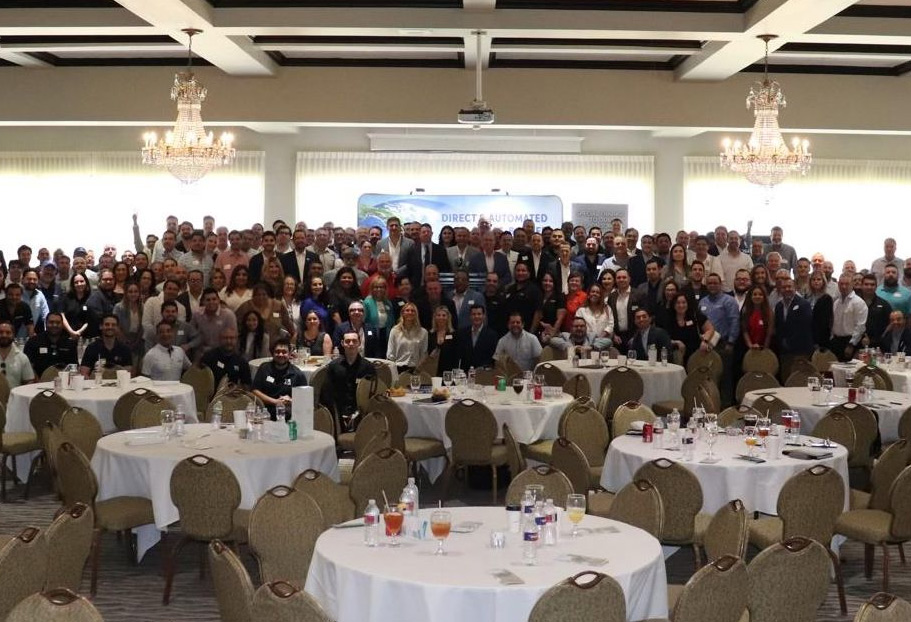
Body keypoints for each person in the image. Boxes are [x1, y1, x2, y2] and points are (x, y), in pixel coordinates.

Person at [324, 331, 376, 429]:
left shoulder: (368, 367)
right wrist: (338, 415)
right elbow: (327, 394)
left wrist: (358, 413)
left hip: (362, 415)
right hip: (337, 416)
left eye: (354, 341)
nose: (351, 344)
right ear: (342, 343)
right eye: (347, 341)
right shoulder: (333, 367)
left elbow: (372, 395)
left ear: (359, 343)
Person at [251, 338, 308, 419]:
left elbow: (305, 399)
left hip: (288, 414)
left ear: (289, 354)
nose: (280, 354)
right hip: (265, 412)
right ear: (272, 353)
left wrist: (291, 400)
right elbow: (255, 391)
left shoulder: (297, 374)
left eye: (284, 352)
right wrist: (275, 402)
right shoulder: (264, 368)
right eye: (277, 352)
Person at [236, 282, 295, 347]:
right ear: (253, 296)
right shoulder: (246, 307)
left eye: (264, 294)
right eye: (258, 295)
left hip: (276, 347)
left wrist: (293, 340)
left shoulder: (278, 305)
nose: (261, 297)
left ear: (268, 295)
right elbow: (236, 325)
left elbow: (289, 326)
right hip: (254, 347)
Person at [23, 312, 77, 377]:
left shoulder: (70, 344)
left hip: (64, 381)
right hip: (38, 381)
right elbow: (28, 367)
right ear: (46, 323)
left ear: (62, 325)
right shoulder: (33, 342)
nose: (54, 325)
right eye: (51, 322)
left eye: (58, 323)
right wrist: (38, 381)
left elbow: (74, 367)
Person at [667, 293, 716, 365]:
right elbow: (663, 337)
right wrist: (675, 342)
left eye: (684, 302)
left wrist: (705, 341)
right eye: (678, 303)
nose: (681, 305)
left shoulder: (695, 315)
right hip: (675, 357)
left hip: (696, 356)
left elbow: (710, 329)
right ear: (673, 304)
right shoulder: (668, 317)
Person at [831, 273, 868, 362]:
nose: (844, 287)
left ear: (852, 285)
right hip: (836, 342)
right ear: (838, 285)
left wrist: (851, 345)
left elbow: (860, 327)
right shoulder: (836, 302)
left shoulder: (858, 302)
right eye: (841, 284)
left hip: (850, 342)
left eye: (847, 284)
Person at [193, 287, 238, 356]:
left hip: (223, 353)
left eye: (214, 299)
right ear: (203, 302)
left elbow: (233, 339)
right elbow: (192, 334)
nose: (211, 302)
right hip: (202, 352)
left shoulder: (229, 315)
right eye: (208, 300)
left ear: (219, 300)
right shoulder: (197, 314)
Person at [386, 302, 428, 372]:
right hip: (398, 368)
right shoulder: (395, 331)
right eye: (407, 310)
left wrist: (419, 370)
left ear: (416, 314)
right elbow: (390, 353)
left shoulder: (423, 332)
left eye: (412, 311)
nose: (410, 312)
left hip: (415, 369)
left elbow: (423, 354)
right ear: (402, 313)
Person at [456, 305, 499, 371]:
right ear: (470, 316)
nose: (476, 316)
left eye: (479, 314)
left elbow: (493, 357)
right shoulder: (462, 333)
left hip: (483, 373)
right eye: (473, 314)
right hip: (464, 373)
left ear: (484, 316)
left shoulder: (492, 335)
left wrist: (484, 367)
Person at [113, 281, 145, 365]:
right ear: (126, 293)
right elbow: (116, 326)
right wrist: (125, 341)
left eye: (136, 291)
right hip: (121, 341)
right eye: (130, 292)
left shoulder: (143, 307)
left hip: (137, 343)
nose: (133, 294)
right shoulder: (118, 307)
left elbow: (143, 326)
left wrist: (136, 342)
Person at [860, 273, 892, 350]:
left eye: (872, 285)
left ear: (876, 287)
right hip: (857, 345)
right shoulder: (855, 303)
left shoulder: (884, 304)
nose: (869, 287)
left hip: (879, 346)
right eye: (866, 284)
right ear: (861, 286)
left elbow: (890, 325)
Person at [0, 320, 35, 388]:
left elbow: (29, 381)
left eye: (8, 332)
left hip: (14, 394)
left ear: (13, 335)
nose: (4, 335)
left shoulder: (22, 357)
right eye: (1, 332)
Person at [740, 285, 774, 351]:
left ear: (764, 297)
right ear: (750, 296)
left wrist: (764, 348)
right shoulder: (745, 312)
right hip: (749, 348)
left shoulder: (769, 313)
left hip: (765, 348)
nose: (757, 296)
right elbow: (745, 331)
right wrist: (750, 346)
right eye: (754, 294)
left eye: (760, 294)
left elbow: (769, 333)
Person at [806, 271, 833, 350]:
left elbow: (824, 323)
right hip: (808, 335)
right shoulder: (807, 297)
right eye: (813, 279)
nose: (816, 282)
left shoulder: (827, 298)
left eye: (818, 279)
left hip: (821, 338)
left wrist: (817, 341)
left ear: (823, 281)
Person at [428, 305, 459, 374]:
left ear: (448, 317)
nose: (441, 317)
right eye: (438, 315)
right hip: (433, 370)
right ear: (435, 317)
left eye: (444, 315)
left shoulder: (453, 334)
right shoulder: (430, 334)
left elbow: (456, 355)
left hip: (449, 371)